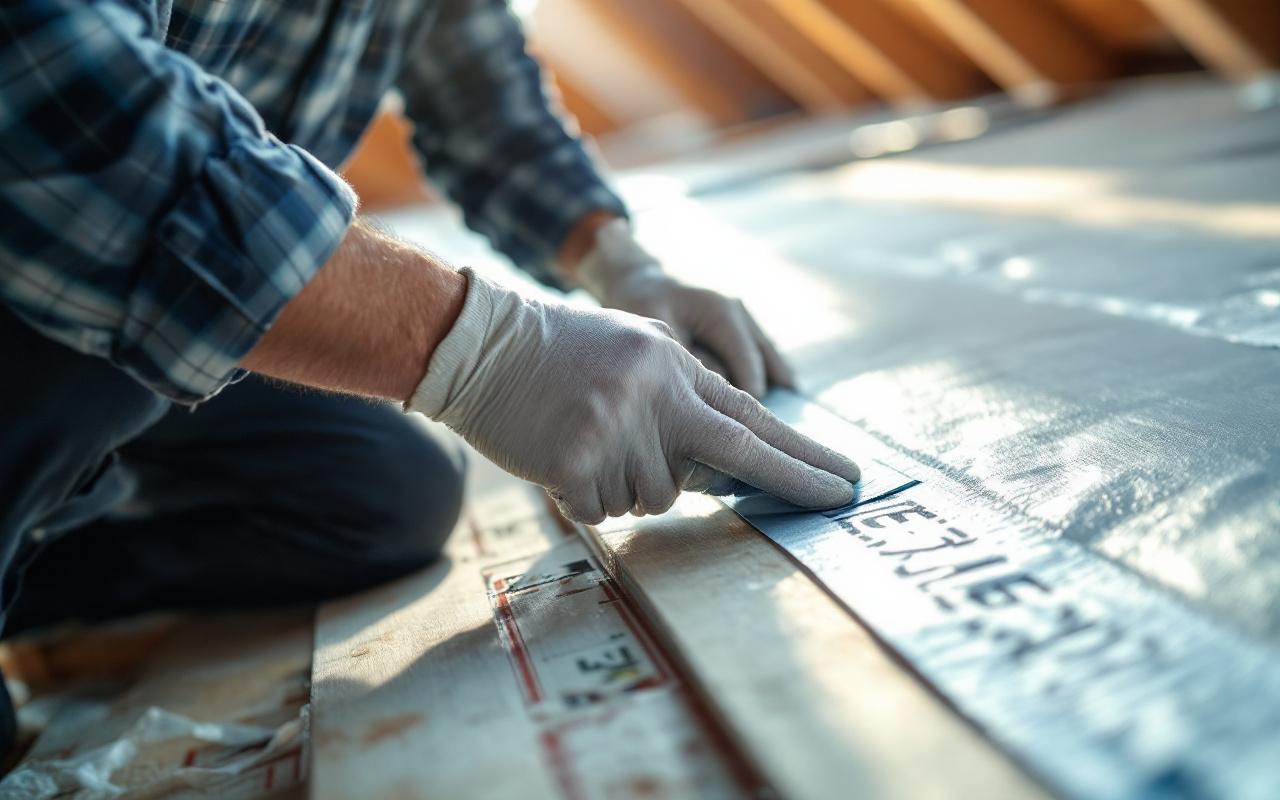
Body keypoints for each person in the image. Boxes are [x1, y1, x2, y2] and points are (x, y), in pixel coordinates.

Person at [0, 0, 860, 753]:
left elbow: (484, 95)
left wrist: (621, 264)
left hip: (192, 284)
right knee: (96, 387)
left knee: (382, 495)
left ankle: (36, 580)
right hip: (43, 266)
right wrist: (488, 351)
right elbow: (62, 117)